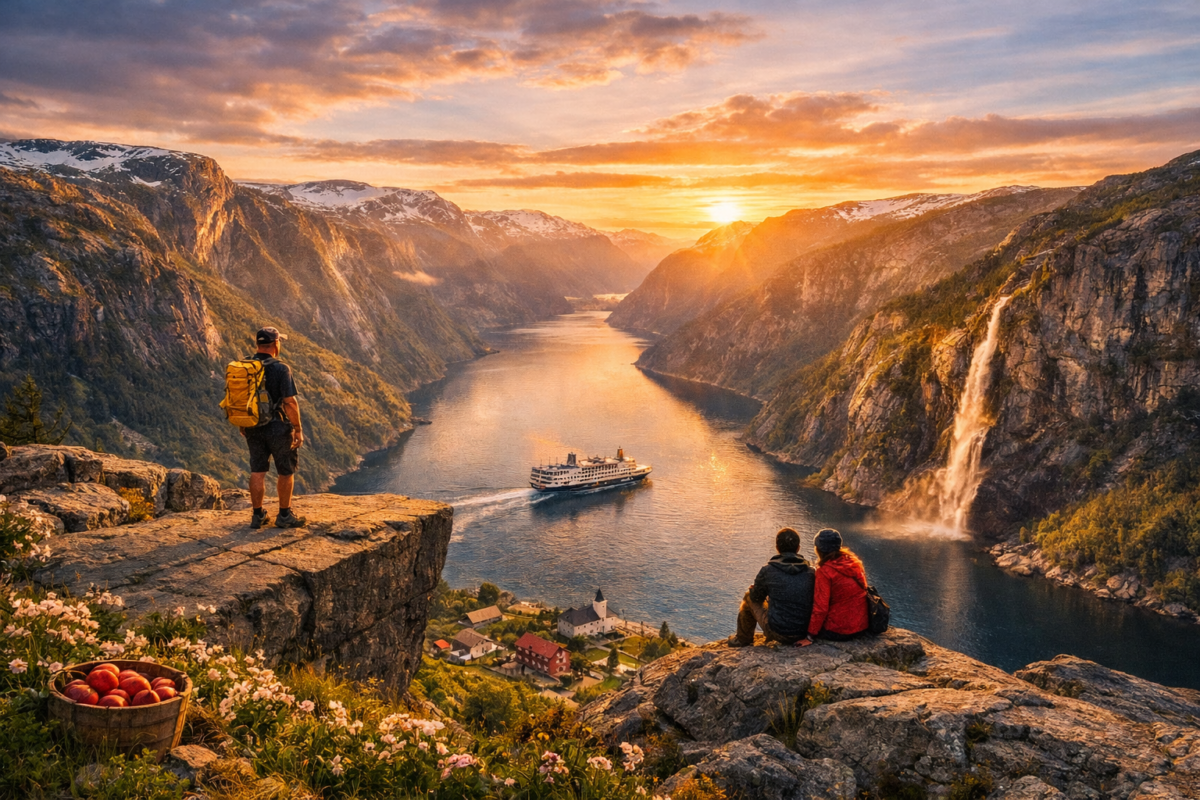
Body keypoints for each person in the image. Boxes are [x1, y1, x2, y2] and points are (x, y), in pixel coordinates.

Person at [243, 326, 306, 530]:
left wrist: (243, 423)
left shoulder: (245, 367)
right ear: (276, 344)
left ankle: (257, 514)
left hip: (252, 426)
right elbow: (289, 402)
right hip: (278, 427)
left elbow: (239, 399)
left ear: (258, 345)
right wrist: (297, 428)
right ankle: (285, 515)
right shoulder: (281, 369)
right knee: (285, 471)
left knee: (257, 470)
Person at [729, 527, 815, 646]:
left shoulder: (768, 570)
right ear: (798, 548)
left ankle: (743, 639)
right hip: (803, 632)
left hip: (777, 632)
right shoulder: (811, 572)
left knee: (748, 596)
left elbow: (756, 598)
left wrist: (754, 590)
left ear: (777, 548)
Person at [798, 529, 868, 645]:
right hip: (861, 626)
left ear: (819, 549)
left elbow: (821, 608)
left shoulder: (825, 572)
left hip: (839, 630)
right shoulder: (855, 563)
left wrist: (809, 637)